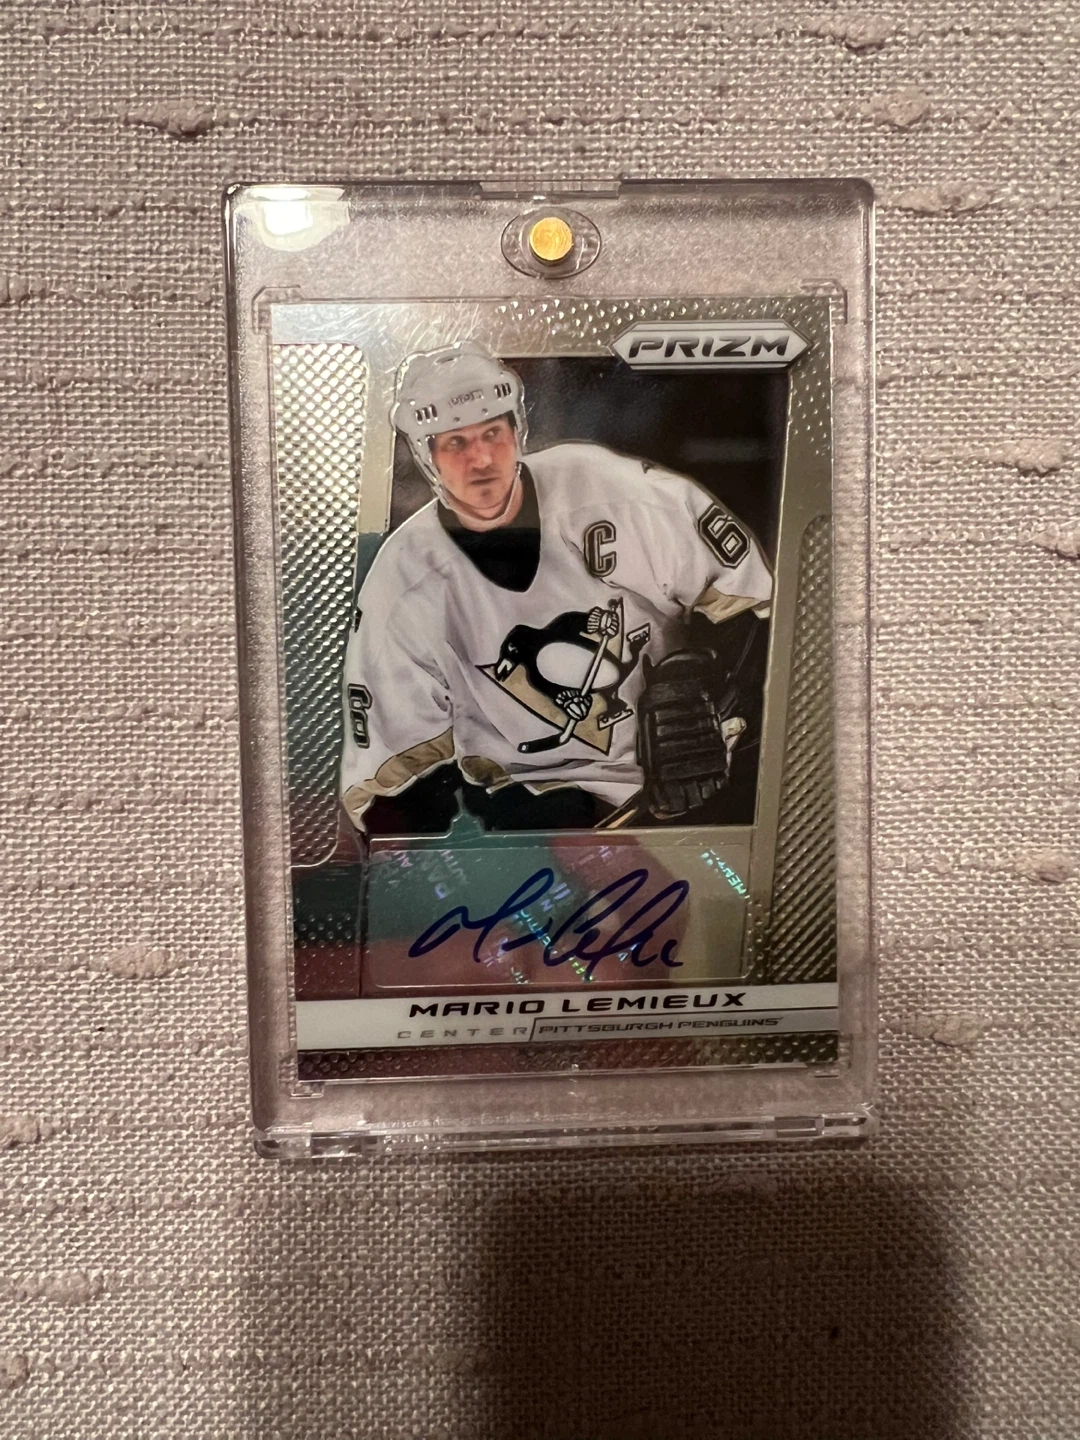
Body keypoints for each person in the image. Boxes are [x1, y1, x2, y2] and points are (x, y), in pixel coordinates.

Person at [340, 343, 773, 834]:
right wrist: (471, 853)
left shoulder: (615, 491)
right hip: (535, 827)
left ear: (517, 430)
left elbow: (767, 617)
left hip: (697, 792)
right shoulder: (403, 581)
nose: (481, 458)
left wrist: (707, 686)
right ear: (427, 457)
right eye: (455, 443)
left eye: (492, 433)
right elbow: (389, 790)